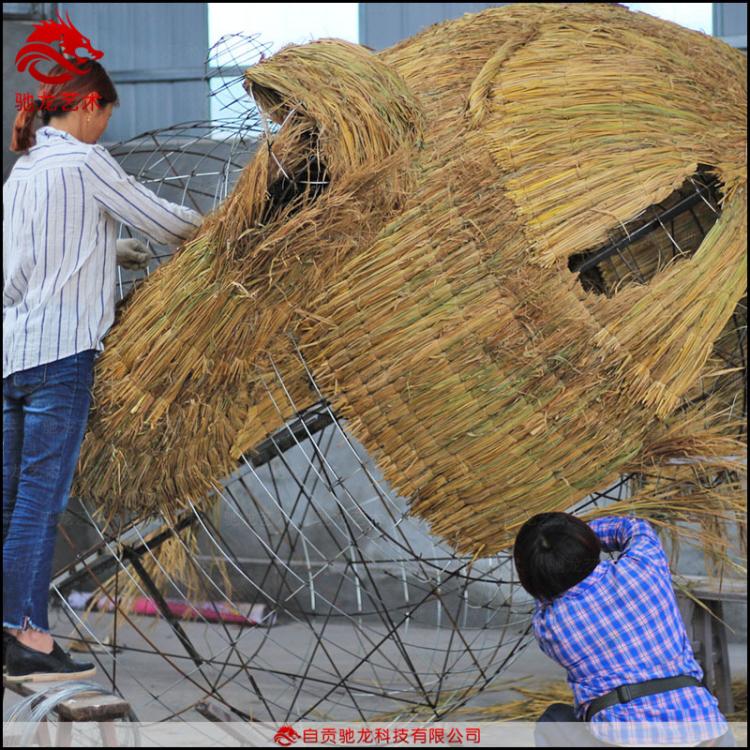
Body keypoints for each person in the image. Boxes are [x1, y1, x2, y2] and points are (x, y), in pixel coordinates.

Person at [3, 59, 203, 682]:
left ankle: (9, 628)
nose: (104, 131)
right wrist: (229, 230)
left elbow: (23, 262)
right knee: (40, 503)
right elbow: (165, 220)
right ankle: (26, 636)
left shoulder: (23, 170)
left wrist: (104, 248)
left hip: (10, 353)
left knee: (11, 502)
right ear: (88, 104)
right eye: (106, 117)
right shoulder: (85, 163)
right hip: (62, 358)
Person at [513, 512, 735, 747]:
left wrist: (551, 556)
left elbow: (543, 598)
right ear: (586, 542)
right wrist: (581, 535)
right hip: (711, 737)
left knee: (553, 720)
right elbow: (634, 527)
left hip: (623, 741)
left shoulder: (550, 627)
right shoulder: (644, 566)